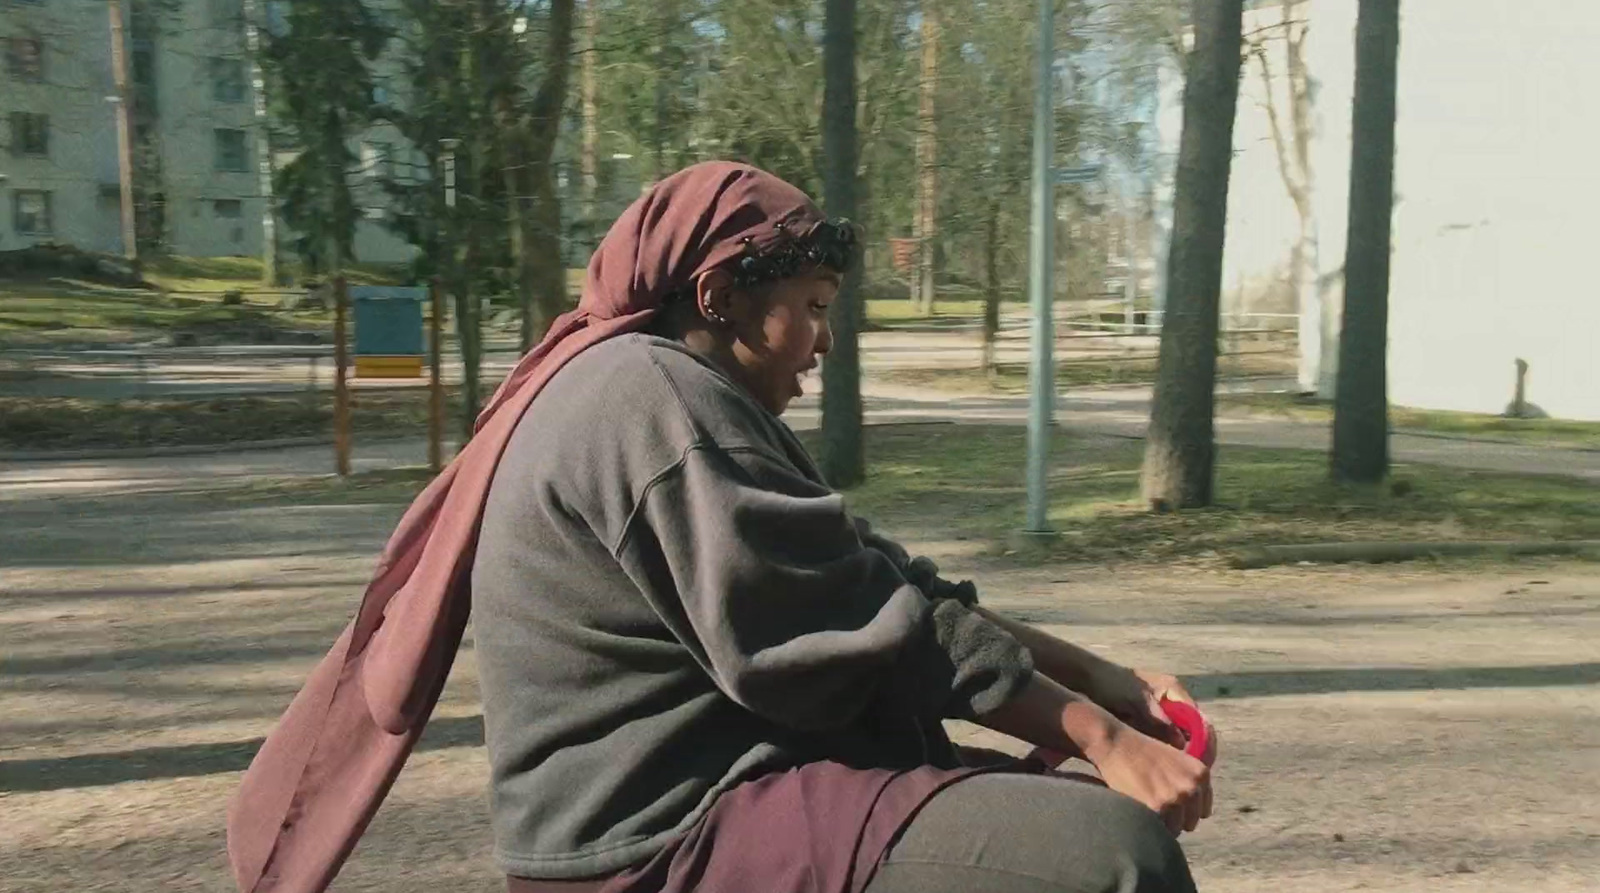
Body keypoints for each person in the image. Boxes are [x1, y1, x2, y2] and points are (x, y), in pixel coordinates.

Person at [226, 162, 1213, 893]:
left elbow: (875, 578)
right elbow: (849, 629)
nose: (824, 342)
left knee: (1052, 825)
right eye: (811, 308)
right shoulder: (650, 405)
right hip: (655, 840)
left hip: (730, 789)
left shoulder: (677, 393)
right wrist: (1099, 738)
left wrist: (1104, 685)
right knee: (1105, 861)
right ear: (719, 296)